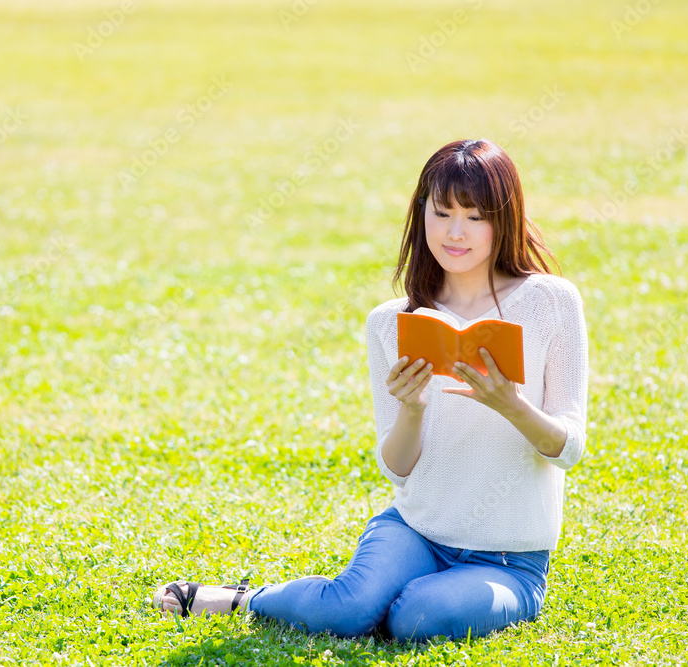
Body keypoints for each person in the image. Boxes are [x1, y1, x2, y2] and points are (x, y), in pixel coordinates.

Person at [152, 138, 589, 643]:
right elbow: (396, 467)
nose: (454, 232)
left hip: (510, 559)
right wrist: (411, 409)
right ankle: (245, 597)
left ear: (504, 220)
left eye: (474, 217)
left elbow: (569, 449)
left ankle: (401, 595)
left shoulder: (550, 302)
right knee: (348, 609)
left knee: (416, 620)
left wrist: (512, 406)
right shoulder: (393, 322)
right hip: (416, 532)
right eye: (442, 212)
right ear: (420, 212)